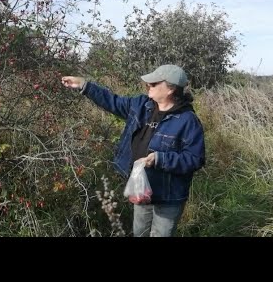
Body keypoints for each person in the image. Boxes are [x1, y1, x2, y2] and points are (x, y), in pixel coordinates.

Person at [61, 64, 205, 237]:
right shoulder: (142, 105)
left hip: (168, 196)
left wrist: (160, 159)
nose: (148, 86)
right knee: (140, 233)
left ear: (171, 89)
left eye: (153, 84)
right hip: (142, 188)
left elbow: (195, 158)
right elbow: (112, 101)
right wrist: (84, 85)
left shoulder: (188, 121)